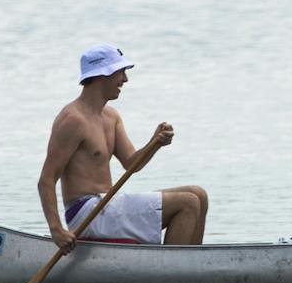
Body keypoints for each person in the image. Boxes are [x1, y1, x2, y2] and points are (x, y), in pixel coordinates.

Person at [36, 44, 209, 253]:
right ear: (102, 75)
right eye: (121, 72)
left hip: (108, 205)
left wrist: (155, 143)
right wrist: (56, 230)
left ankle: (194, 264)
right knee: (188, 203)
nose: (125, 80)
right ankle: (172, 269)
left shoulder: (111, 116)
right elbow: (46, 179)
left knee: (199, 195)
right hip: (86, 213)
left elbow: (131, 163)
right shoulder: (73, 119)